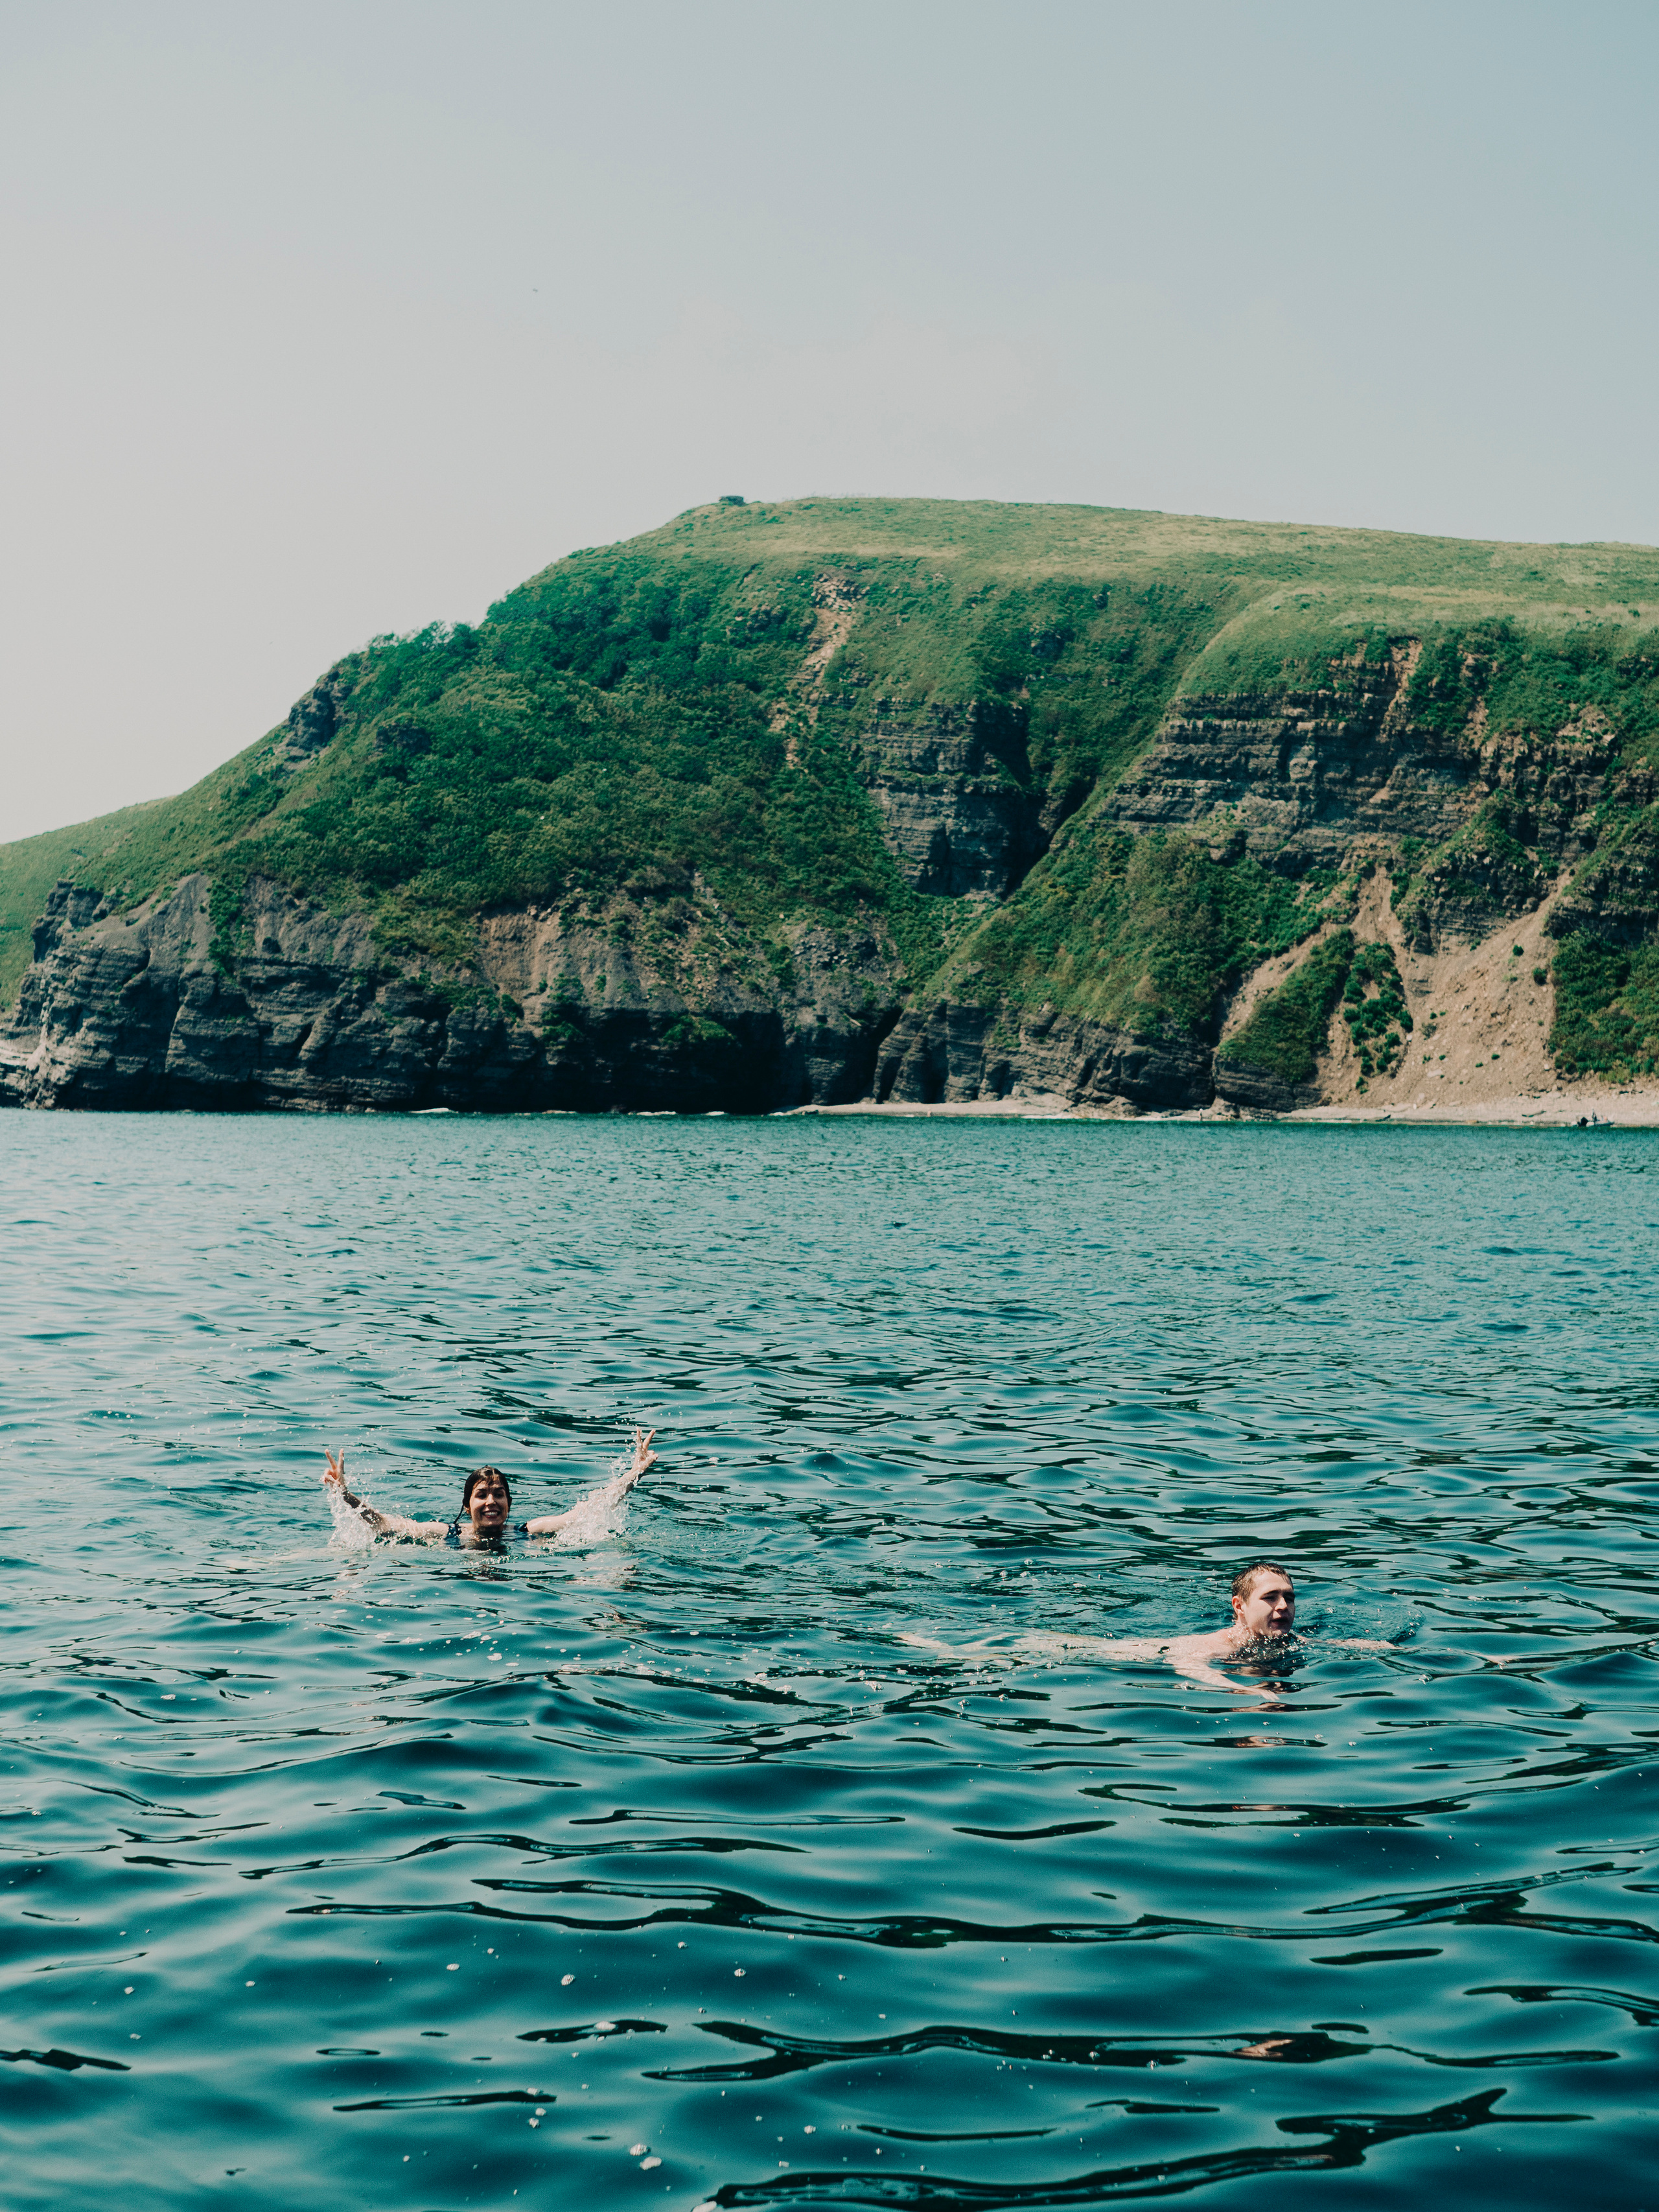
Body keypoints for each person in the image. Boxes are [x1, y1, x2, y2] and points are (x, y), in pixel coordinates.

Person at [905, 1562, 1390, 1692]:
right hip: (1126, 1652)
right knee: (1022, 1651)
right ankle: (936, 1645)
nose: (1284, 1606)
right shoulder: (1222, 1642)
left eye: (1290, 1597)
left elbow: (1332, 1644)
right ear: (1240, 1607)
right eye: (1271, 1598)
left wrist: (1377, 1648)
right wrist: (1242, 1691)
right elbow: (1188, 1665)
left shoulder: (1285, 1639)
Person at [321, 1429, 656, 1545]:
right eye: (481, 1495)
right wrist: (345, 1496)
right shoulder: (447, 1534)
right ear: (467, 1505)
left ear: (509, 1502)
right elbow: (385, 1525)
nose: (491, 1501)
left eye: (498, 1494)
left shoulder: (529, 1531)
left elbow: (588, 1512)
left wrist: (634, 1475)